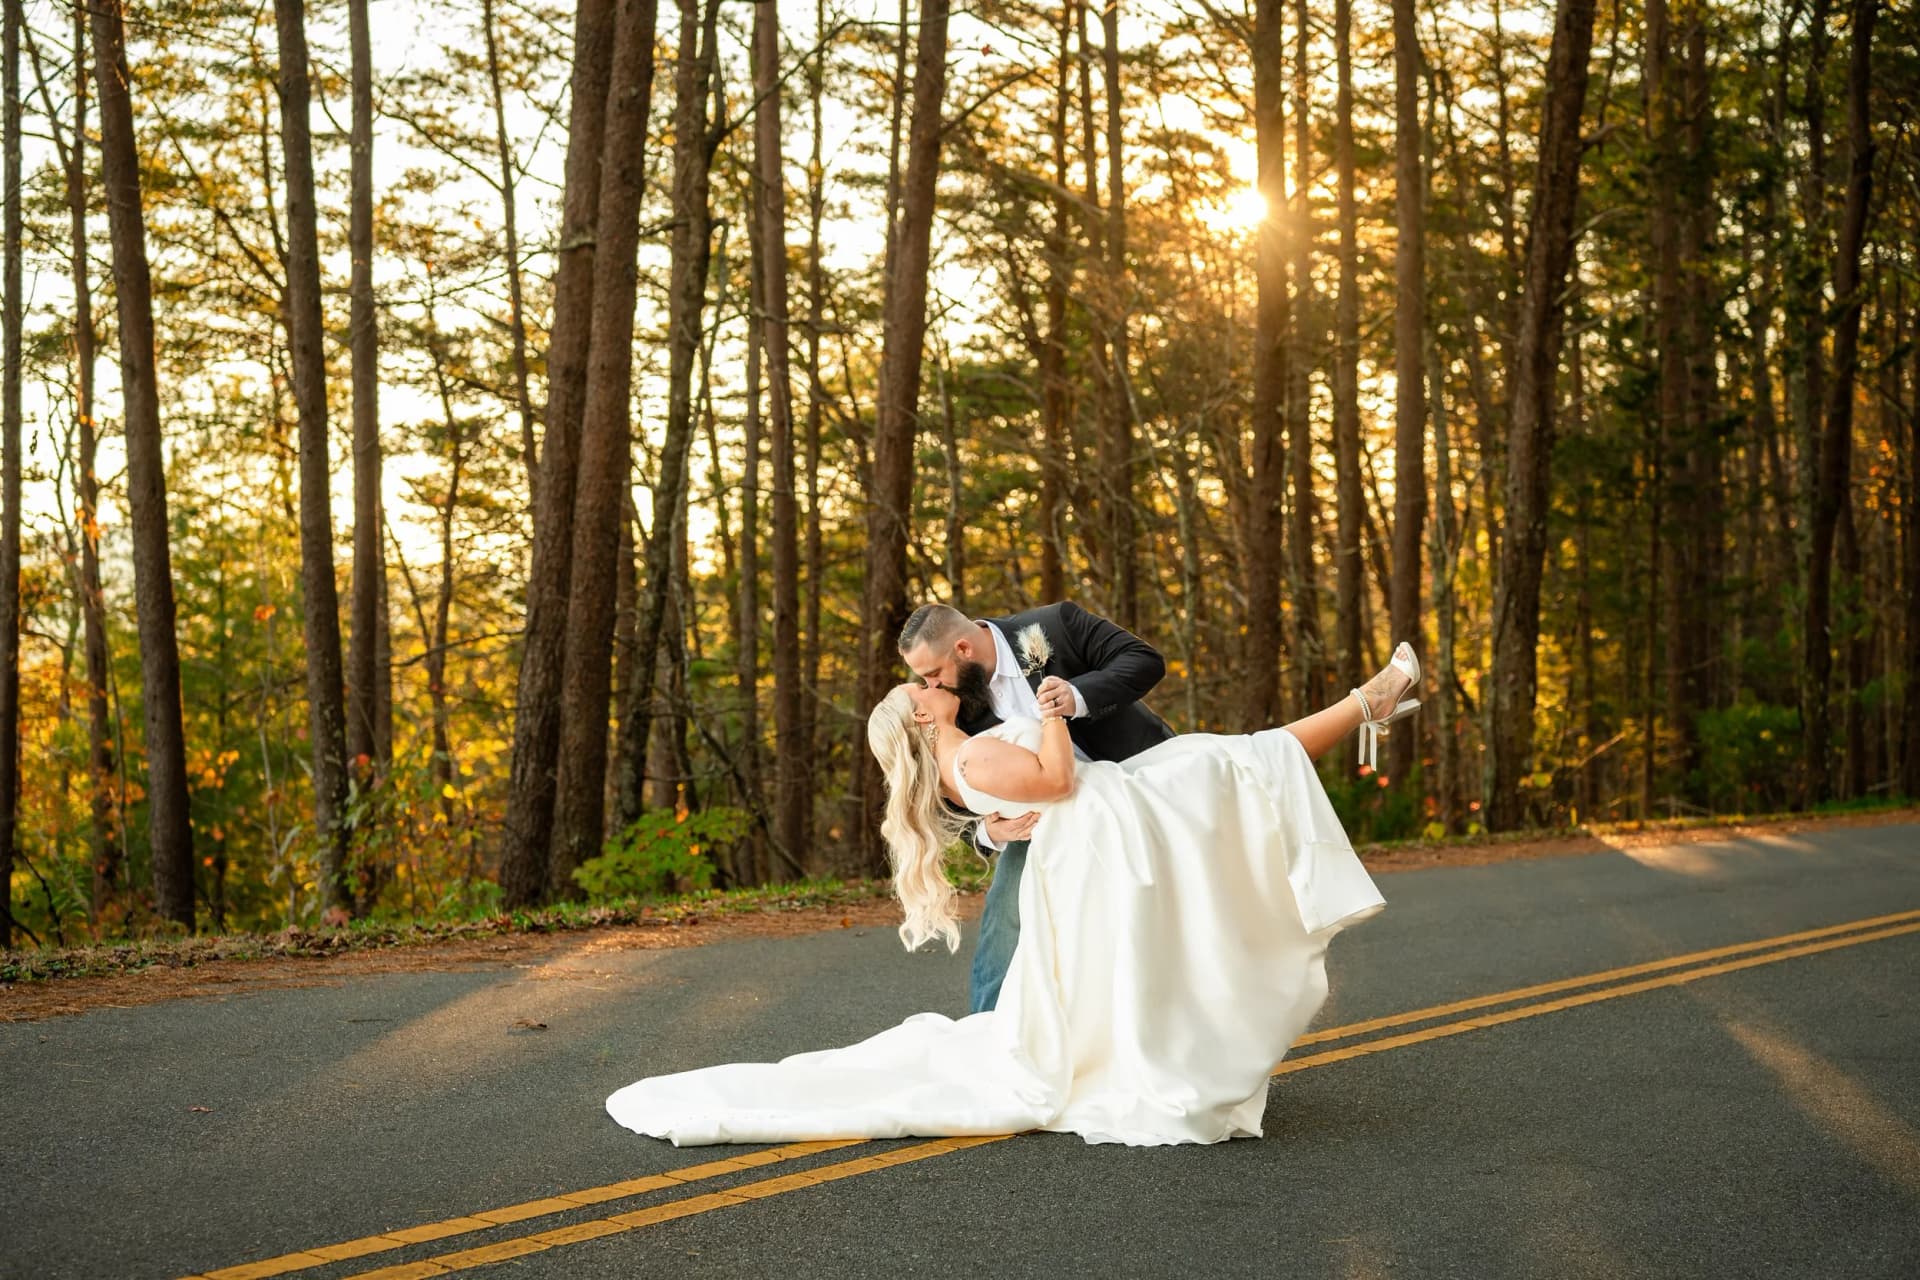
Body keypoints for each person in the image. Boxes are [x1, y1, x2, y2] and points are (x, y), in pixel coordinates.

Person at [604, 641, 1423, 1148]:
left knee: (1244, 762)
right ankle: (1366, 704)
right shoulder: (975, 757)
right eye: (916, 693)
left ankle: (1367, 703)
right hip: (1116, 828)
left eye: (921, 680)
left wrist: (1047, 711)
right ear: (923, 723)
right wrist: (1058, 707)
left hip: (1122, 816)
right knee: (1243, 763)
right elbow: (1058, 780)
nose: (923, 686)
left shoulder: (975, 747)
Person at [894, 602, 1175, 1014]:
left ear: (963, 649)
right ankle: (987, 1028)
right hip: (1040, 821)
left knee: (1159, 910)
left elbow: (1144, 661)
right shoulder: (953, 703)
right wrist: (990, 831)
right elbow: (943, 791)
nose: (933, 686)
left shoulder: (1056, 625)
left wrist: (1077, 696)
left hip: (1138, 781)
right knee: (1004, 919)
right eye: (924, 680)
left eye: (934, 673)